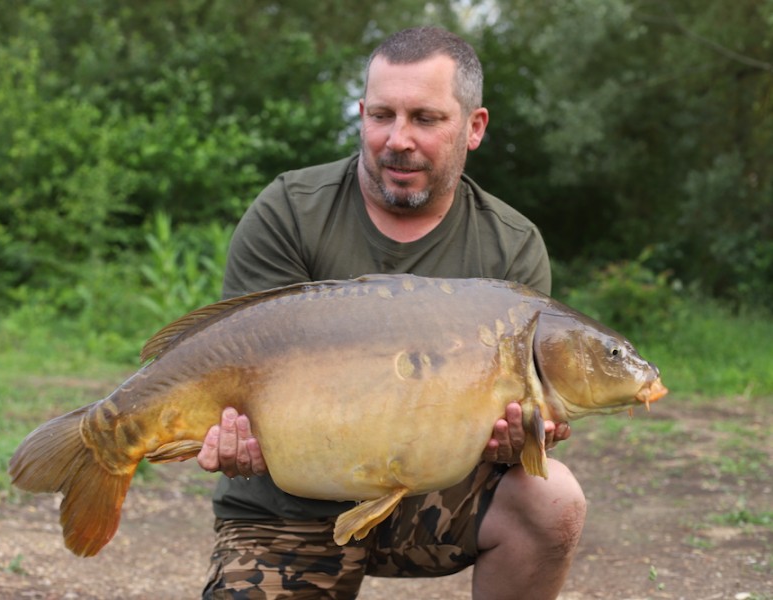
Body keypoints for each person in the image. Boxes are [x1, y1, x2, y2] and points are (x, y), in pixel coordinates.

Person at [196, 26, 585, 599]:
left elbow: (512, 424)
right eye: (382, 115)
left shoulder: (510, 246)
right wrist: (236, 438)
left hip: (433, 497)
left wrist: (520, 437)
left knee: (552, 498)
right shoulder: (290, 212)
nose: (397, 139)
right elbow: (236, 360)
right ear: (361, 113)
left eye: (425, 119)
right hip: (287, 501)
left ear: (474, 127)